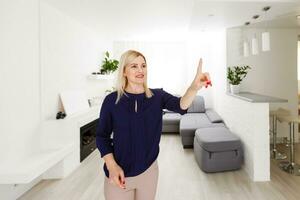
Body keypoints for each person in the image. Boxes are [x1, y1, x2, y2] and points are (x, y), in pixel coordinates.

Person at [96, 50, 212, 200]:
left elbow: (181, 105)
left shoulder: (158, 96)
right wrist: (112, 166)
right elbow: (101, 136)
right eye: (134, 66)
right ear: (124, 71)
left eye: (143, 65)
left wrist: (194, 87)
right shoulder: (111, 101)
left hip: (148, 171)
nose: (140, 70)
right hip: (118, 173)